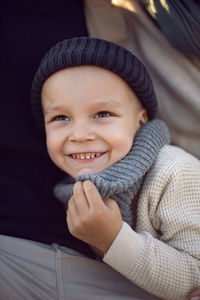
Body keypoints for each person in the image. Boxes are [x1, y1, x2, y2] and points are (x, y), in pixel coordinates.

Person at [30, 36, 200, 300]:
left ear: (140, 119)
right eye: (60, 118)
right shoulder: (69, 186)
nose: (80, 134)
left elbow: (195, 277)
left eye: (102, 114)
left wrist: (111, 238)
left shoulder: (176, 172)